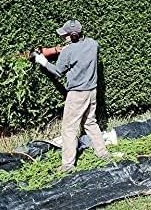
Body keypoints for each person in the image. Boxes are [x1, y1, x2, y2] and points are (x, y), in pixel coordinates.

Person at [34, 19, 109, 172]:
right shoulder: (93, 44)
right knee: (90, 123)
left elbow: (58, 71)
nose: (63, 37)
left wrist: (43, 61)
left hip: (77, 95)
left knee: (69, 128)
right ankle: (103, 154)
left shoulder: (68, 51)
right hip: (91, 91)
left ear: (73, 36)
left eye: (66, 35)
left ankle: (67, 165)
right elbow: (81, 52)